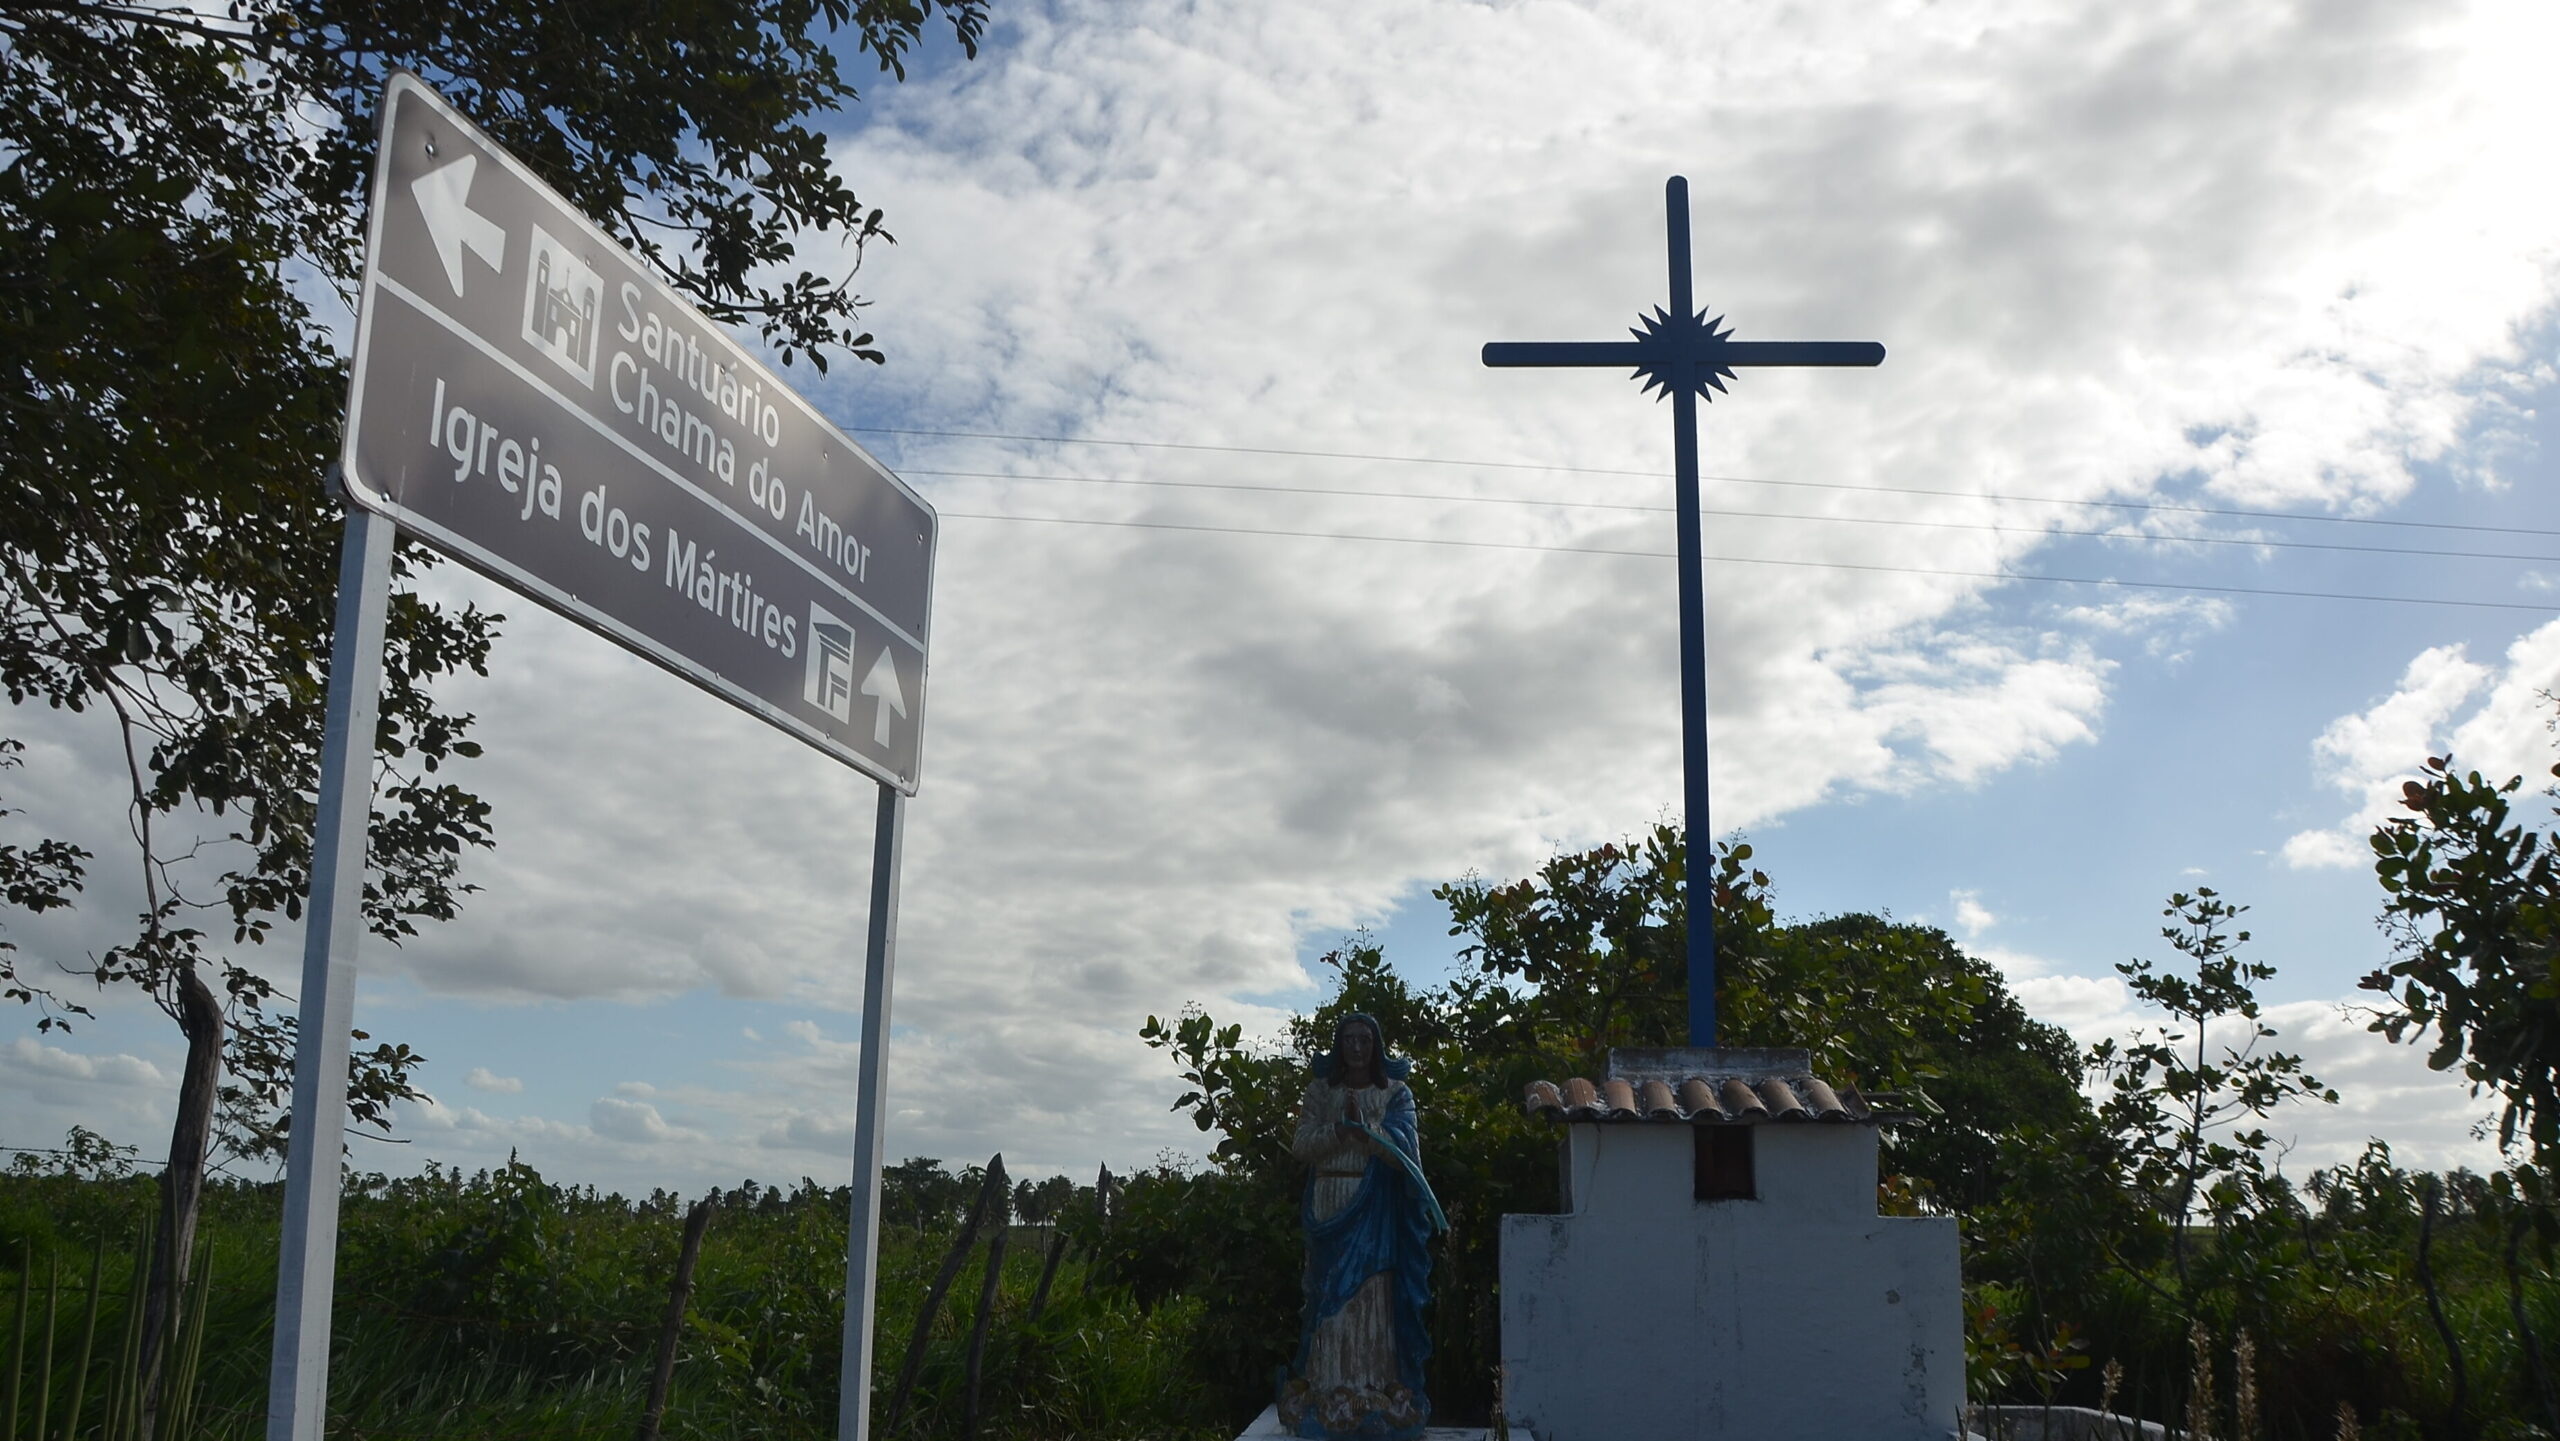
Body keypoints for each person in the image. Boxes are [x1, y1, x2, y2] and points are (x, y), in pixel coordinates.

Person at [1277, 1013, 1444, 1441]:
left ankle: (1373, 1389)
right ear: (1338, 1045)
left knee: (1372, 1295)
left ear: (1376, 1046)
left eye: (1364, 1040)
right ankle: (1327, 1387)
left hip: (1376, 1210)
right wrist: (1338, 1130)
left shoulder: (1396, 1093)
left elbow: (1407, 1154)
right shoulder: (1320, 1091)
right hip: (1329, 1200)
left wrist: (1367, 1131)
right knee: (1327, 1295)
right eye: (1348, 1039)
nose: (1356, 1048)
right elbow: (1301, 1145)